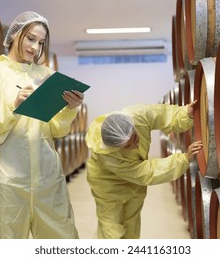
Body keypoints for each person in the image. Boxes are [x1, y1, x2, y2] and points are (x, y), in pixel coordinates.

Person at [0, 11, 83, 239]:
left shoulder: (47, 76)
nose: (35, 47)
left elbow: (57, 130)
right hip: (7, 182)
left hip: (47, 179)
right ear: (14, 35)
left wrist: (71, 108)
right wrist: (13, 106)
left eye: (40, 42)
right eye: (30, 38)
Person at [85, 102, 202, 239]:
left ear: (133, 126)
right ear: (116, 147)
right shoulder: (108, 156)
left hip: (134, 175)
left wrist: (185, 113)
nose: (135, 145)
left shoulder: (137, 115)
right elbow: (147, 172)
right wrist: (184, 159)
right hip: (106, 184)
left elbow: (163, 115)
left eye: (135, 137)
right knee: (111, 226)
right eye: (127, 146)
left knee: (131, 221)